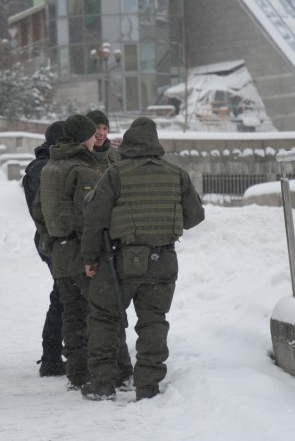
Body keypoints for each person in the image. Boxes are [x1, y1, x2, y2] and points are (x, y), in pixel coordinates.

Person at [80, 116, 205, 402]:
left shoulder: (115, 174)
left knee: (104, 319)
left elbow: (95, 219)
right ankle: (147, 386)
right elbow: (195, 216)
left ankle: (103, 383)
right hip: (163, 260)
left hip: (119, 259)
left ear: (129, 143)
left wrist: (89, 257)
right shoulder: (176, 174)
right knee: (153, 322)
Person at [32, 115, 133, 391]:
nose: (97, 137)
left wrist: (52, 240)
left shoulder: (51, 166)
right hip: (83, 251)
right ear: (83, 137)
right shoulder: (82, 169)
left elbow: (39, 211)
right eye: (93, 133)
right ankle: (119, 371)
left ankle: (78, 373)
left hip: (61, 251)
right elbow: (90, 217)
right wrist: (94, 252)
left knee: (72, 314)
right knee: (105, 313)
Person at [23, 121, 66, 377]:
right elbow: (46, 210)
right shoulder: (43, 168)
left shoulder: (44, 165)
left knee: (63, 295)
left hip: (52, 239)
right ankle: (51, 356)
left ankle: (55, 354)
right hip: (53, 241)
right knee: (62, 296)